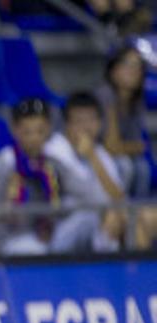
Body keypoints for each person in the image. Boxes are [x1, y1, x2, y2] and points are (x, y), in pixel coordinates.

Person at [0, 98, 99, 256]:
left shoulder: (53, 164)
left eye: (40, 131)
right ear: (15, 130)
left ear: (49, 129)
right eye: (27, 132)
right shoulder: (2, 164)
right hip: (11, 241)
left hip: (50, 237)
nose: (34, 138)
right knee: (35, 249)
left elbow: (90, 194)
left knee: (89, 218)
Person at [46, 91, 126, 251]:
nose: (86, 127)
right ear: (67, 125)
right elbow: (92, 197)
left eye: (91, 119)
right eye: (79, 121)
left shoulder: (100, 152)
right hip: (59, 227)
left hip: (96, 221)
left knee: (140, 217)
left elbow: (119, 197)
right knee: (102, 215)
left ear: (100, 123)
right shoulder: (54, 151)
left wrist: (93, 157)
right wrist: (91, 156)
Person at [97, 45, 150, 196]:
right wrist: (125, 147)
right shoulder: (104, 95)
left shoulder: (137, 100)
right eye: (128, 64)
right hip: (93, 155)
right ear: (113, 70)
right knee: (124, 165)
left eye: (138, 66)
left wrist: (124, 147)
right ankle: (118, 214)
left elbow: (140, 146)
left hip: (119, 154)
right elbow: (110, 146)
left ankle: (139, 216)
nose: (134, 70)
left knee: (142, 168)